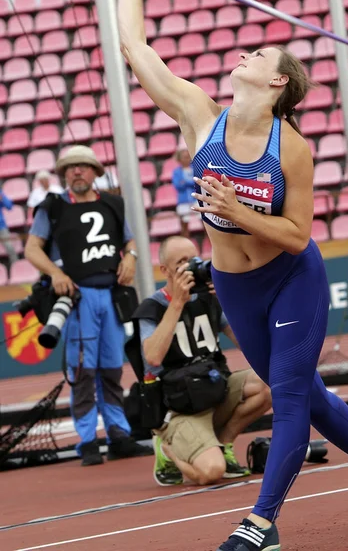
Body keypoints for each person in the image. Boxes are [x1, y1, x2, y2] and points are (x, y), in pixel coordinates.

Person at [117, 0, 348, 549]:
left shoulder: (293, 149)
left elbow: (298, 234)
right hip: (237, 288)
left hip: (290, 278)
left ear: (278, 81)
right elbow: (136, 48)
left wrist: (238, 213)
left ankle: (261, 522)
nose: (245, 56)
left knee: (286, 393)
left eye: (259, 57)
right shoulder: (197, 114)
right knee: (304, 393)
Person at [24, 145, 152, 467]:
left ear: (95, 171)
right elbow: (32, 249)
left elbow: (130, 240)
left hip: (110, 294)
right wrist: (54, 273)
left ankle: (118, 434)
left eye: (82, 166)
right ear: (63, 174)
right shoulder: (51, 207)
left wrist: (132, 258)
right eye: (69, 168)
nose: (76, 172)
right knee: (83, 371)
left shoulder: (113, 203)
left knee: (111, 368)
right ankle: (87, 440)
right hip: (78, 298)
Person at [132, 235, 272, 486]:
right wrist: (177, 304)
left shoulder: (209, 299)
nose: (191, 267)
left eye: (194, 259)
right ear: (164, 270)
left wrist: (227, 299)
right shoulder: (151, 308)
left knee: (269, 381)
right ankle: (167, 449)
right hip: (179, 407)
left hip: (215, 389)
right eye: (182, 262)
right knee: (212, 473)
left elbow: (249, 343)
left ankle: (225, 443)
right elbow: (152, 358)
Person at [172, 148, 196, 238]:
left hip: (196, 199)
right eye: (184, 157)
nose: (187, 159)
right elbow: (178, 185)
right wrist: (190, 182)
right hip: (183, 201)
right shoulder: (176, 172)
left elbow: (197, 182)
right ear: (179, 159)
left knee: (205, 223)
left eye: (187, 157)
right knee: (184, 226)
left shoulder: (194, 168)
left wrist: (185, 182)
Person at [0, 187, 18, 266]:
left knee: (10, 247)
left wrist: (2, 198)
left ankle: (16, 267)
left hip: (1, 226)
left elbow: (9, 206)